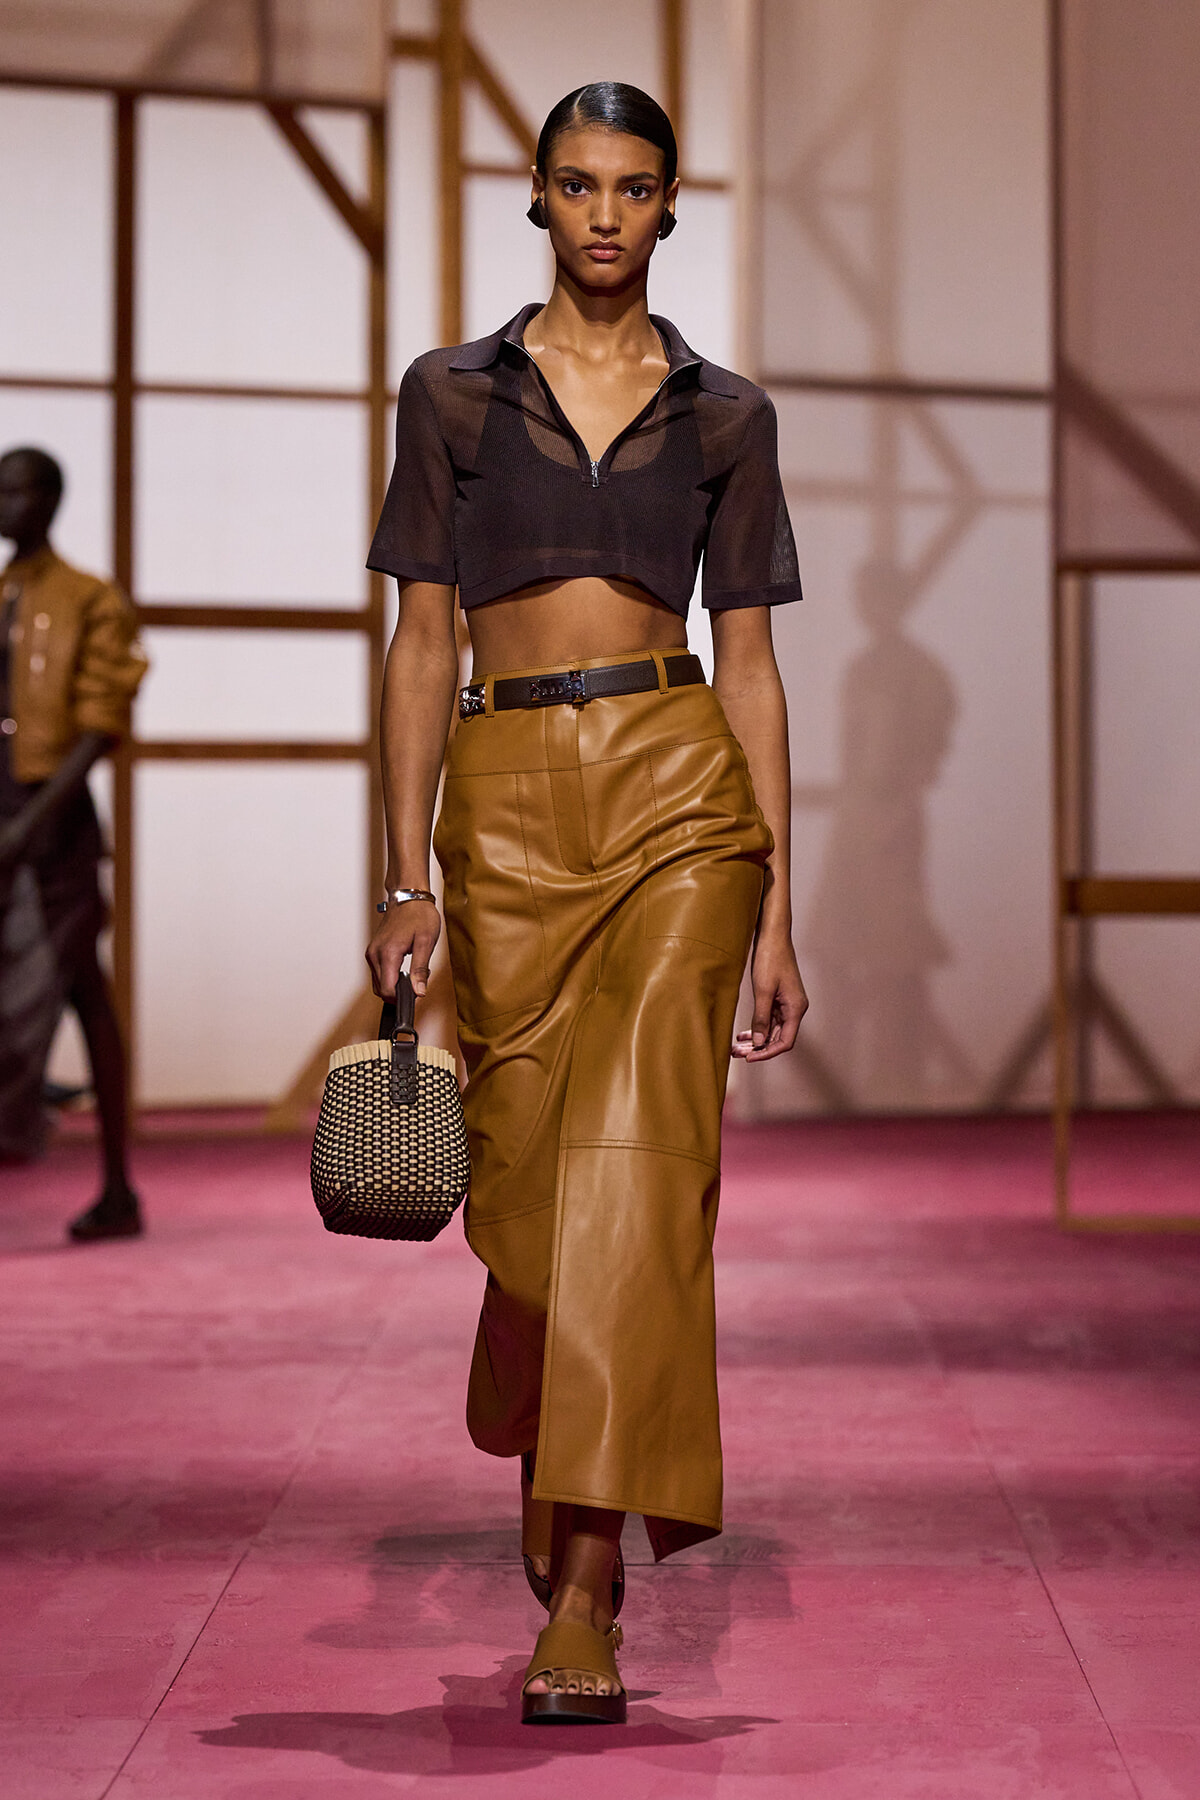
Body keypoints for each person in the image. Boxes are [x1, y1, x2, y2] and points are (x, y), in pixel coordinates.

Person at [366, 82, 806, 1724]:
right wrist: (403, 868)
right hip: (503, 804)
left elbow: (752, 662)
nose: (605, 213)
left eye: (635, 188)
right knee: (536, 1200)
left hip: (681, 793)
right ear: (536, 200)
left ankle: (588, 1582)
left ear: (671, 206)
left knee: (641, 1172)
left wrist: (779, 904)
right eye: (576, 185)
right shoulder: (453, 398)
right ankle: (542, 1394)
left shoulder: (727, 416)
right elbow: (421, 639)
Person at [0, 447, 148, 1241]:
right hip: (5, 808)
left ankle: (118, 1183)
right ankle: (111, 1183)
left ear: (49, 498)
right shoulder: (2, 593)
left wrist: (29, 824)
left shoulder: (87, 597)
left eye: (15, 487)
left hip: (50, 819)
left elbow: (101, 720)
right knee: (78, 992)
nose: (2, 502)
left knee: (76, 988)